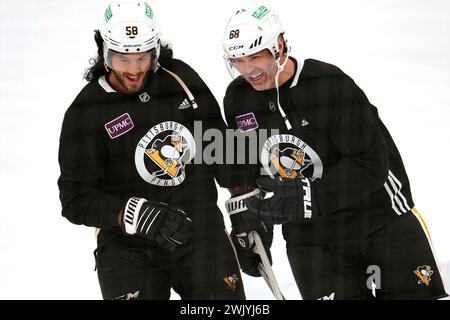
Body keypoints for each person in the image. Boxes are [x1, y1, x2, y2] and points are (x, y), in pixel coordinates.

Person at [221, 5, 448, 299]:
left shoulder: (327, 84)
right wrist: (251, 225)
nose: (248, 69)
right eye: (238, 60)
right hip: (310, 238)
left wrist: (308, 196)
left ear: (278, 47)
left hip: (378, 221)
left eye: (255, 57)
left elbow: (371, 164)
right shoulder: (238, 98)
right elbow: (251, 170)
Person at [58, 1, 245, 300]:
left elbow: (222, 147)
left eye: (142, 57)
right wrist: (132, 213)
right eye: (122, 59)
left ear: (155, 50)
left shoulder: (180, 79)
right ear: (104, 52)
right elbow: (75, 198)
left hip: (200, 234)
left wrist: (244, 209)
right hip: (128, 247)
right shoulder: (85, 113)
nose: (134, 70)